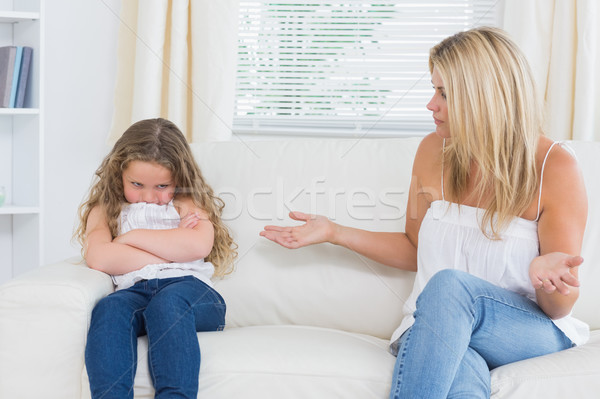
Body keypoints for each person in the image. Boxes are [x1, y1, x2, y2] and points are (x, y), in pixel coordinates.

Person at [260, 27, 589, 398]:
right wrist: (335, 232)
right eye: (434, 90)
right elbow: (414, 248)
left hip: (524, 328)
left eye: (444, 94)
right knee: (462, 376)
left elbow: (559, 307)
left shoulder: (555, 167)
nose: (431, 105)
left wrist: (548, 280)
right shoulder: (434, 151)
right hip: (439, 328)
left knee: (449, 287)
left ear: (483, 98)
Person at [75, 118, 237, 398]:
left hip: (191, 293)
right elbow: (100, 257)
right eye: (136, 184)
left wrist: (128, 238)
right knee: (109, 308)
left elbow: (197, 245)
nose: (149, 197)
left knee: (168, 303)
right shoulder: (105, 209)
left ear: (179, 179)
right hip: (135, 292)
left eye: (162, 186)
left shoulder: (186, 203)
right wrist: (170, 246)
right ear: (119, 174)